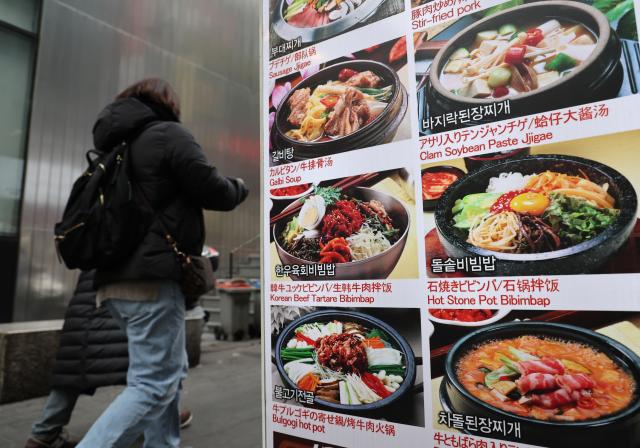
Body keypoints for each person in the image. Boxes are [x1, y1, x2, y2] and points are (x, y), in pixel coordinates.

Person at [75, 78, 248, 448]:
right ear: (167, 102)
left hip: (113, 284)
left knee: (168, 375)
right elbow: (212, 188)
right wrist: (239, 186)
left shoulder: (117, 147)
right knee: (153, 384)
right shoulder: (168, 134)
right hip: (151, 284)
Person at [24, 271, 194, 448]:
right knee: (153, 382)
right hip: (135, 291)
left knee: (72, 375)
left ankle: (43, 432)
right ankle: (45, 432)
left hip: (98, 298)